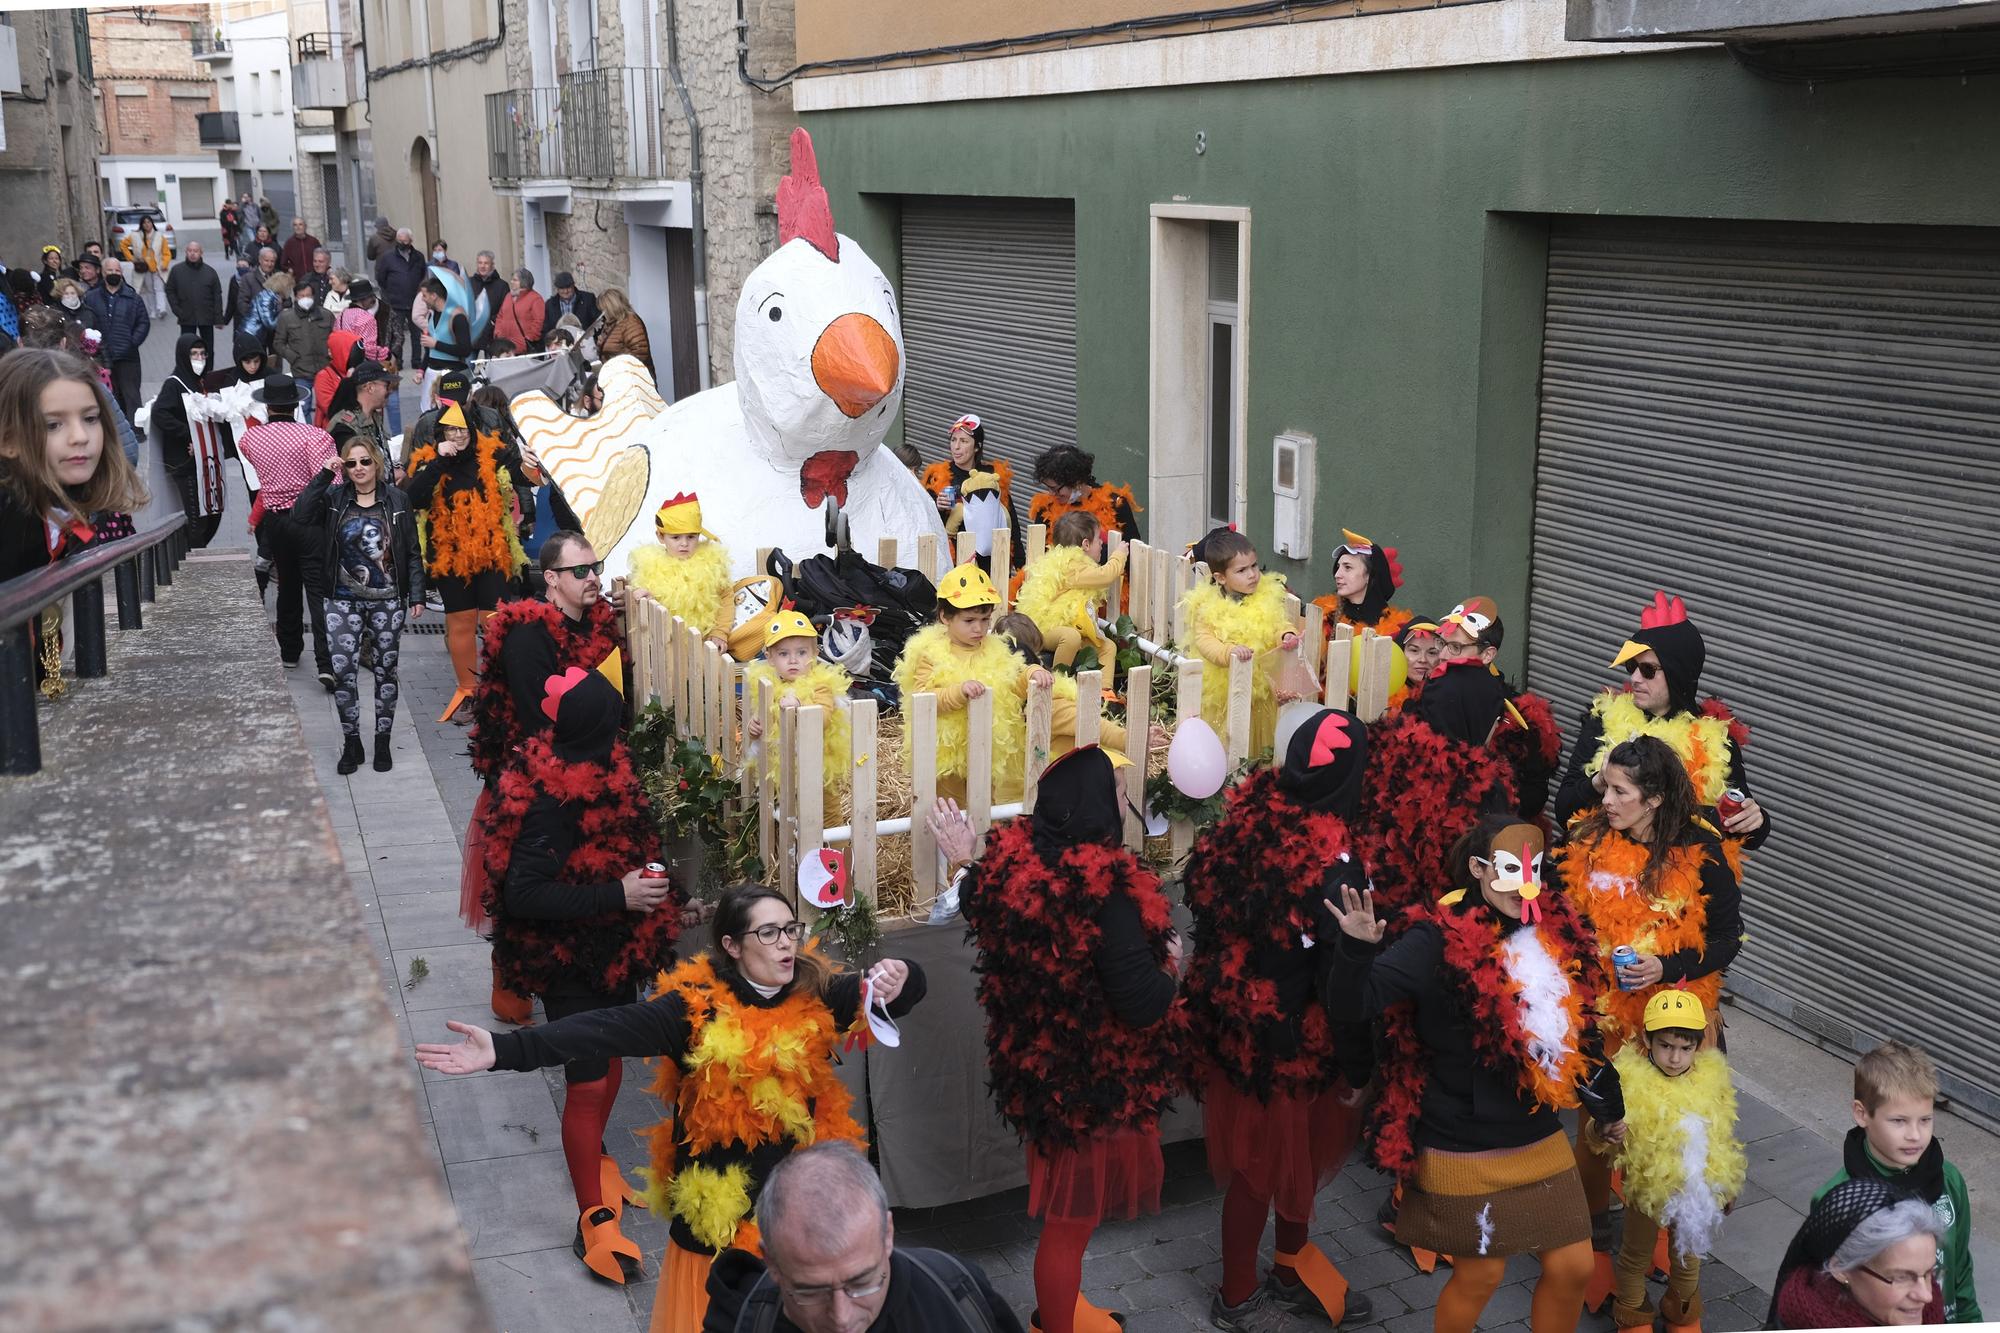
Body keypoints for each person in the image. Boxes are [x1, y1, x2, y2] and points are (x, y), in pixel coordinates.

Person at [416, 883, 927, 1328]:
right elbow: (601, 1029)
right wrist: (505, 1050)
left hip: (799, 1214)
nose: (786, 944)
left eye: (790, 929)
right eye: (767, 933)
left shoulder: (815, 992)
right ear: (731, 944)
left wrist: (901, 974)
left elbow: (891, 996)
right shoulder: (692, 1008)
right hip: (718, 1225)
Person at [1324, 814, 1619, 1333]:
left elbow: (1581, 1027)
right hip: (1461, 1134)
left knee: (1574, 1265)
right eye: (1510, 870)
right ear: (1480, 869)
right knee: (1482, 1275)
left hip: (1532, 1127)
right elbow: (1355, 1004)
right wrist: (1356, 948)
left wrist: (1608, 1106)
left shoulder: (1555, 930)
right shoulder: (1434, 941)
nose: (1525, 887)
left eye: (1535, 870)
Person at [948, 746, 1184, 1333]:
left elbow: (982, 903)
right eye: (1119, 793)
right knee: (1070, 1223)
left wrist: (963, 861)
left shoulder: (1016, 863)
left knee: (1065, 1217)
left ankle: (1064, 1309)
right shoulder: (1110, 899)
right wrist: (1173, 969)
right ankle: (1053, 1323)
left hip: (1039, 1074)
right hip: (1091, 1085)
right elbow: (1140, 1003)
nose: (1126, 801)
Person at [468, 663, 679, 1281]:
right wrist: (617, 896)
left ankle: (600, 1163)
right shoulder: (548, 803)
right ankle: (593, 1219)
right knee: (588, 1081)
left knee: (608, 1063)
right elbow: (523, 895)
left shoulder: (607, 770)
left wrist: (660, 896)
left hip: (608, 950)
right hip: (566, 963)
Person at [1180, 708, 1374, 1330]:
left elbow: (1206, 905)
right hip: (1295, 1040)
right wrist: (1357, 1064)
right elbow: (1341, 982)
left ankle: (1283, 1271)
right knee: (1276, 1164)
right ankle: (1242, 1292)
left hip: (1242, 1025)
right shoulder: (1338, 869)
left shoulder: (1246, 819)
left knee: (1272, 1164)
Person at [1555, 735, 1741, 1293]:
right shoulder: (1589, 840)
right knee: (1597, 1131)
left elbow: (1729, 938)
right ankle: (1594, 1241)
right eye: (1605, 787)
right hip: (1604, 1017)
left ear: (1655, 798)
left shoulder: (1702, 854)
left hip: (1673, 1025)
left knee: (1672, 1138)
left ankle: (1663, 1249)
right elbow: (1569, 921)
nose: (1605, 800)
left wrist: (1666, 968)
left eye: (1619, 791)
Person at [463, 530, 625, 1024]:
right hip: (530, 783)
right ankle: (510, 988)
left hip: (580, 773)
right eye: (581, 571)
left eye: (595, 567)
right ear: (551, 579)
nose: (593, 577)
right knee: (522, 888)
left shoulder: (594, 623)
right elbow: (538, 721)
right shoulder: (528, 634)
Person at [702, 1143, 1025, 1333]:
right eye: (811, 1291)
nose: (842, 1319)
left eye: (862, 1283)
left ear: (888, 1235)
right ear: (771, 1261)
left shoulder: (956, 1292)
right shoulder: (740, 1322)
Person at [1551, 591, 1770, 863]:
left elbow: (1744, 833)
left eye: (1648, 670)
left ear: (1679, 674)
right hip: (1604, 881)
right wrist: (1600, 781)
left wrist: (1757, 821)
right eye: (1632, 666)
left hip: (1674, 888)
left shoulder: (1714, 740)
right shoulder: (1605, 721)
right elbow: (1563, 813)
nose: (1634, 679)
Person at [1585, 990, 1746, 1333]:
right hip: (1646, 1193)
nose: (1675, 1058)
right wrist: (1603, 1129)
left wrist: (1726, 1186)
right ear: (1647, 1039)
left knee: (1688, 1258)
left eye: (1685, 1048)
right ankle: (1633, 1317)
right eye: (1666, 1046)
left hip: (1693, 1193)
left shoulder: (1709, 1079)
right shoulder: (1627, 1080)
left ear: (1698, 1046)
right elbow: (1593, 1136)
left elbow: (1721, 1136)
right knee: (1635, 1256)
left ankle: (1682, 1314)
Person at [0, 350, 146, 689]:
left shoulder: (65, 501)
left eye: (90, 418)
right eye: (54, 424)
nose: (80, 436)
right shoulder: (9, 514)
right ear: (8, 440)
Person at [1814, 1041, 1981, 1324]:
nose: (1915, 1135)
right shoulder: (1836, 1198)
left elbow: (1961, 1269)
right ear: (1862, 1113)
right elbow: (1827, 1292)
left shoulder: (1949, 1179)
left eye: (1925, 1120)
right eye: (1899, 1121)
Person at [293, 435, 425, 773]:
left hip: (388, 600)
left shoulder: (396, 499)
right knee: (343, 674)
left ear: (376, 462)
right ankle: (352, 742)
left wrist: (418, 594)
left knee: (386, 671)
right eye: (350, 463)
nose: (358, 468)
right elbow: (300, 514)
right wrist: (324, 475)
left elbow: (410, 549)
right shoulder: (334, 497)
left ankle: (382, 741)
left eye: (364, 461)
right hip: (342, 599)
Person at [404, 400, 538, 721]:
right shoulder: (430, 461)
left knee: (494, 623)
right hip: (451, 557)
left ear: (472, 430)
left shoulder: (491, 452)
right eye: (450, 429)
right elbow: (413, 498)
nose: (457, 435)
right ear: (441, 432)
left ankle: (498, 689)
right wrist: (438, 461)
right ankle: (468, 691)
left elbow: (525, 476)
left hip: (492, 553)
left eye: (462, 428)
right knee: (460, 623)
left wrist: (532, 464)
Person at [892, 562, 1048, 805]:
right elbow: (922, 697)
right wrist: (958, 691)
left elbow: (1011, 684)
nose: (979, 628)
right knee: (951, 806)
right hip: (947, 753)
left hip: (986, 746)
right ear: (945, 616)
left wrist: (1032, 672)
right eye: (969, 620)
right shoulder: (931, 653)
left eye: (985, 619)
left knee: (985, 803)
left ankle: (984, 842)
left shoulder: (995, 648)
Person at [237, 376, 339, 682]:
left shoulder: (250, 439)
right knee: (317, 592)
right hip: (309, 521)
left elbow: (256, 466)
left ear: (267, 407)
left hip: (275, 522)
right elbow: (331, 484)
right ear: (296, 404)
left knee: (287, 586)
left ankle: (290, 651)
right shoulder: (314, 436)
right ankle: (326, 662)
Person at [1177, 527, 1300, 757]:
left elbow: (1277, 623)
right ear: (1220, 578)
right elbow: (1205, 642)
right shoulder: (1208, 607)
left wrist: (1286, 634)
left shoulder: (1265, 597)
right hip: (1227, 691)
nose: (1252, 574)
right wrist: (1230, 651)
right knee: (1229, 742)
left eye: (1254, 566)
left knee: (1261, 739)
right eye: (1242, 570)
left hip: (1262, 688)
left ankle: (1257, 778)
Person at [1770, 1178, 1946, 1327]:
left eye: (1929, 1273)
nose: (1927, 1296)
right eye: (1901, 1277)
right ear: (1840, 1268)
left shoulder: (1932, 1314)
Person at [744, 611, 852, 802]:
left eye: (801, 653)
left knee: (824, 807)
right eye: (784, 654)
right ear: (770, 658)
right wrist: (754, 727)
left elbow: (824, 718)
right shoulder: (768, 686)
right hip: (782, 765)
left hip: (816, 764)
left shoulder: (821, 685)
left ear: (815, 654)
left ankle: (829, 830)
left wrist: (801, 706)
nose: (793, 660)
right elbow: (763, 721)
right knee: (783, 808)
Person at [1013, 511, 1125, 670]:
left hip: (1067, 628)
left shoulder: (1076, 566)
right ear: (1086, 544)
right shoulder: (1072, 567)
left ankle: (1105, 691)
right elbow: (1105, 575)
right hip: (1044, 630)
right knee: (1071, 637)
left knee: (1108, 647)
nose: (1102, 543)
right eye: (1098, 539)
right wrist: (1119, 555)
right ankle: (1058, 680)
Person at [627, 491, 734, 649]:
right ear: (661, 537)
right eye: (676, 537)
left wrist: (720, 632)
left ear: (699, 535)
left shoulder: (712, 565)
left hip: (704, 641)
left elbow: (726, 598)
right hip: (665, 646)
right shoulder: (650, 567)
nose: (684, 543)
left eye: (691, 537)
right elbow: (647, 603)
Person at [148, 333, 224, 548]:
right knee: (196, 519)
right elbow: (160, 413)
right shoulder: (174, 384)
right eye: (193, 354)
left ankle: (190, 552)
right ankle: (191, 562)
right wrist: (188, 435)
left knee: (213, 514)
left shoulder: (203, 383)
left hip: (207, 461)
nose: (199, 358)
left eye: (202, 354)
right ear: (183, 355)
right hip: (184, 462)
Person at [1312, 528, 1412, 651]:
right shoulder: (1326, 617)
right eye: (1338, 567)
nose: (1337, 574)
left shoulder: (1396, 630)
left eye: (1347, 567)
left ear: (1369, 576)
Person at [920, 414, 1017, 536]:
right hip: (953, 552)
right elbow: (924, 522)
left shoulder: (992, 474)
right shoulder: (937, 476)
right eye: (953, 440)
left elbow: (1010, 519)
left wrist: (1018, 555)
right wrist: (938, 507)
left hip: (989, 551)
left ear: (977, 446)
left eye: (964, 441)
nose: (956, 447)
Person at [1027, 444, 1141, 542]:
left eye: (1055, 489)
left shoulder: (1115, 505)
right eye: (1048, 488)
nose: (1051, 494)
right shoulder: (1045, 509)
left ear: (1076, 482)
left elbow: (1132, 553)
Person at [81, 258, 150, 419]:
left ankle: (136, 428)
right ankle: (116, 430)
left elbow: (143, 323)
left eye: (117, 271)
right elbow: (87, 322)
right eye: (110, 271)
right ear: (103, 273)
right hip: (102, 357)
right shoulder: (91, 297)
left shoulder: (133, 297)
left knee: (131, 395)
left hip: (128, 356)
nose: (114, 274)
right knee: (110, 395)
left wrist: (132, 342)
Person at [273, 276, 335, 406]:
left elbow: (335, 339)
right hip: (301, 372)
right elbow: (278, 343)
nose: (305, 299)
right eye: (302, 296)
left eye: (308, 295)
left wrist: (331, 356)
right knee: (303, 408)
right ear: (295, 297)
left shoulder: (326, 315)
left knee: (328, 406)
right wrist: (293, 357)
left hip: (325, 370)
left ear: (313, 296)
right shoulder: (286, 318)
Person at [374, 227, 427, 368]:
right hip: (395, 302)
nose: (402, 243)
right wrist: (390, 294)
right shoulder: (388, 257)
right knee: (397, 335)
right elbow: (381, 277)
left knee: (416, 334)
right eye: (400, 241)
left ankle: (416, 361)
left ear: (411, 241)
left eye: (405, 241)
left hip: (414, 302)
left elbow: (422, 274)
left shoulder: (418, 257)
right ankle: (398, 361)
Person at [418, 275, 473, 410]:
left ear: (434, 296)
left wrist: (436, 344)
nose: (422, 299)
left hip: (452, 374)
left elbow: (465, 349)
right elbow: (429, 349)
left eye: (424, 295)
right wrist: (421, 370)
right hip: (432, 372)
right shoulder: (431, 315)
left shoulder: (457, 317)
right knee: (429, 413)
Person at [327, 361, 395, 457]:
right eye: (386, 385)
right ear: (370, 388)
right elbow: (353, 469)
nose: (390, 390)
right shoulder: (345, 428)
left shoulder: (373, 417)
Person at [166, 241, 224, 345]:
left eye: (195, 251)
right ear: (186, 252)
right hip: (186, 316)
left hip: (206, 317)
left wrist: (218, 318)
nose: (192, 253)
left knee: (208, 348)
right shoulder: (177, 270)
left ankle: (208, 362)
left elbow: (217, 295)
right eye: (190, 251)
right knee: (186, 347)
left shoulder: (210, 272)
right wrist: (177, 310)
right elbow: (170, 290)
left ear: (201, 253)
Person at [119, 215, 173, 318]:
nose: (147, 224)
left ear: (152, 223)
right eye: (144, 223)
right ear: (141, 225)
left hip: (157, 267)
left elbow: (166, 252)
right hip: (143, 268)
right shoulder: (135, 236)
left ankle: (161, 309)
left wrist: (165, 264)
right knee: (150, 290)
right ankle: (152, 310)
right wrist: (132, 258)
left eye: (149, 222)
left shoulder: (159, 236)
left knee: (159, 288)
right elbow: (123, 245)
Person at [595, 287, 653, 375]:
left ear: (611, 307)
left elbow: (640, 353)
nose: (603, 313)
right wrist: (601, 343)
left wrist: (617, 366)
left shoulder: (631, 322)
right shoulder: (610, 323)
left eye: (604, 310)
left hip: (632, 379)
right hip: (614, 376)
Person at [235, 247, 281, 351]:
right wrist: (255, 317)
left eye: (272, 261)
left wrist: (280, 307)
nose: (269, 264)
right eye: (266, 260)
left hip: (275, 329)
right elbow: (242, 302)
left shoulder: (279, 277)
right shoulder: (248, 278)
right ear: (260, 260)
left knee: (276, 362)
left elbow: (287, 301)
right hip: (256, 330)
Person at [494, 267, 546, 354]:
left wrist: (529, 338)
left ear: (523, 282)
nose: (511, 282)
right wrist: (498, 333)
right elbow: (500, 316)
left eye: (515, 280)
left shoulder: (535, 298)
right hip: (505, 346)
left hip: (524, 347)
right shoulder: (508, 296)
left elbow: (538, 321)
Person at [468, 250, 508, 347]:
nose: (482, 266)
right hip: (472, 333)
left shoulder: (502, 285)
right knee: (469, 362)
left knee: (492, 362)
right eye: (480, 263)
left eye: (486, 263)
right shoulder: (469, 283)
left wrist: (492, 322)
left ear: (492, 265)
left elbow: (505, 310)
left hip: (492, 334)